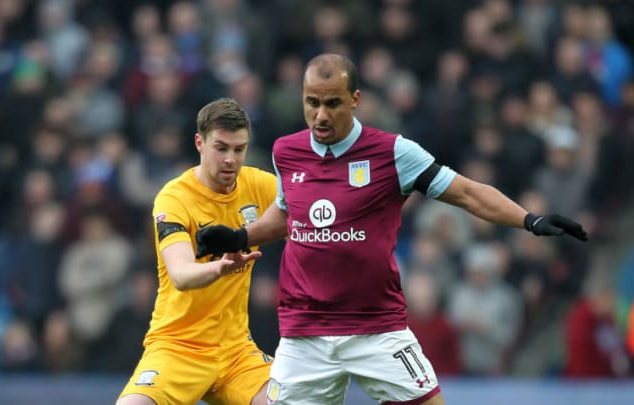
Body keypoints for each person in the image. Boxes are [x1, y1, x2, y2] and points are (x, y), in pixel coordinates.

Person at [196, 54, 588, 405]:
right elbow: (286, 215)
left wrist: (529, 220)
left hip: (375, 326)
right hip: (305, 331)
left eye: (332, 103)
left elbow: (468, 194)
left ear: (355, 99)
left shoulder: (394, 152)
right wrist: (238, 237)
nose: (320, 115)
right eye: (312, 103)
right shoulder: (287, 151)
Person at [117, 98, 277, 405]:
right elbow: (180, 273)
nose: (231, 159)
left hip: (236, 352)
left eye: (239, 149)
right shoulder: (174, 198)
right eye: (221, 148)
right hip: (178, 347)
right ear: (199, 143)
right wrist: (219, 267)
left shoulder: (259, 185)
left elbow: (312, 209)